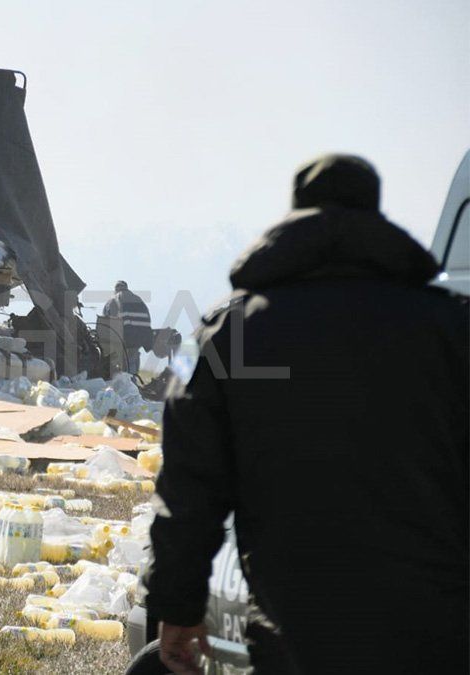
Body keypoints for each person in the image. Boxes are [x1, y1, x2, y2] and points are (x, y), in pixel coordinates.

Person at [144, 154, 469, 674]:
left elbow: (187, 488)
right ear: (376, 213)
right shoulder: (452, 326)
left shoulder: (226, 330)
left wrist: (176, 608)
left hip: (293, 622)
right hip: (432, 622)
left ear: (297, 214)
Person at [102, 280, 153, 374]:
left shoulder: (113, 300)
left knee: (124, 362)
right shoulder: (138, 299)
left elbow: (105, 321)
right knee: (133, 357)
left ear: (116, 289)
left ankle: (129, 382)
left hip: (125, 337)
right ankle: (133, 380)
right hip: (142, 337)